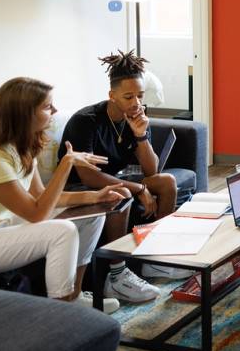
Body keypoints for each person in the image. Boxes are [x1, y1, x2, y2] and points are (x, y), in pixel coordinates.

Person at [0, 77, 128, 313]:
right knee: (62, 232)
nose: (55, 110)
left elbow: (42, 196)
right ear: (24, 114)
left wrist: (96, 197)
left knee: (93, 215)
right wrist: (66, 164)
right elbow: (37, 214)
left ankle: (75, 294)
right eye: (47, 106)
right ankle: (62, 313)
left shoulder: (22, 146)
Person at [58, 50, 177, 301]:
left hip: (112, 180)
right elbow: (89, 177)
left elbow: (152, 171)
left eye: (140, 96)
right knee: (122, 192)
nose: (136, 103)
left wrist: (141, 135)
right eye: (128, 96)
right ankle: (117, 275)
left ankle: (154, 259)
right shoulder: (86, 121)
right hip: (79, 188)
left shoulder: (135, 118)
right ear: (111, 95)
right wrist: (139, 190)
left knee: (166, 182)